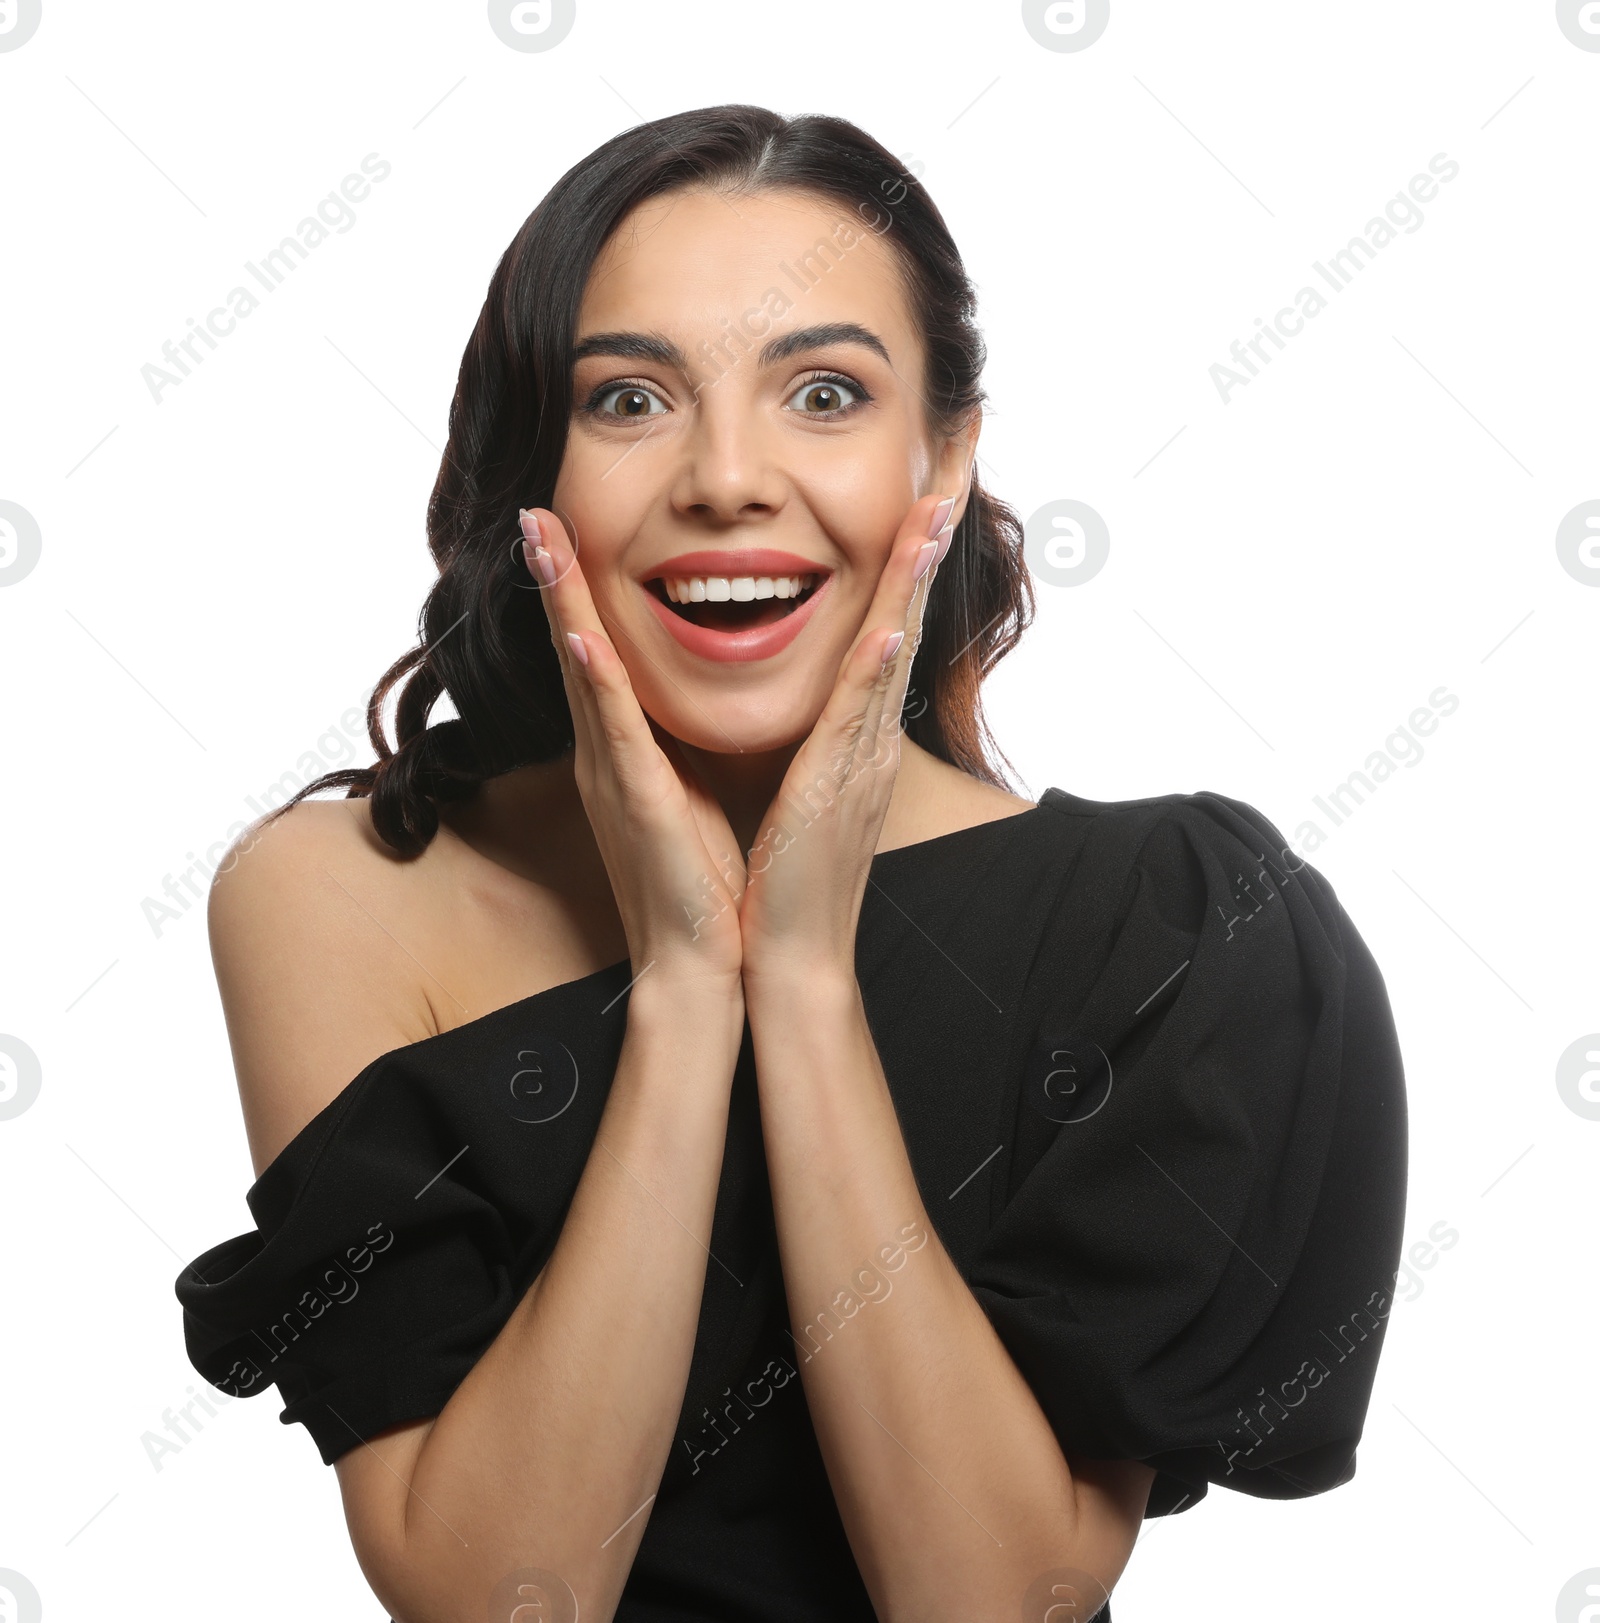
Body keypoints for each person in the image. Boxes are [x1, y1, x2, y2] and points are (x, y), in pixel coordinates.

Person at [175, 105, 1408, 1623]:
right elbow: (504, 1596)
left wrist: (807, 986)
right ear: (536, 471)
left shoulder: (1173, 924)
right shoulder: (343, 896)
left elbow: (990, 1602)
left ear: (943, 456)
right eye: (631, 400)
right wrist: (689, 990)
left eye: (825, 392)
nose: (728, 479)